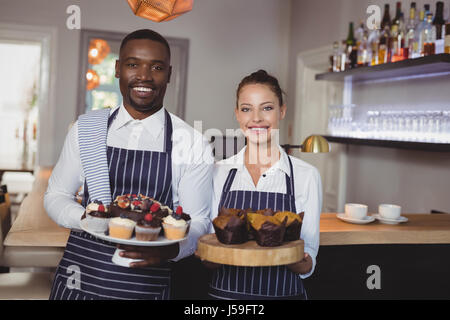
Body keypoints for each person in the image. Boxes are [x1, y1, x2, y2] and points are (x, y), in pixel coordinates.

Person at [44, 29, 213, 300]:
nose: (144, 76)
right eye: (133, 64)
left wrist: (171, 250)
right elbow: (57, 195)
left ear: (169, 74)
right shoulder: (86, 128)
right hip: (80, 281)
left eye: (156, 67)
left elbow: (200, 220)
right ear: (118, 69)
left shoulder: (192, 143)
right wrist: (87, 219)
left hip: (147, 288)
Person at [204, 70, 322, 300]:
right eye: (247, 109)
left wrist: (292, 256)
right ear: (237, 114)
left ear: (282, 111)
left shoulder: (306, 175)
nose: (256, 118)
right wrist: (207, 254)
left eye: (267, 108)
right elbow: (211, 252)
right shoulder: (218, 172)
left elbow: (309, 260)